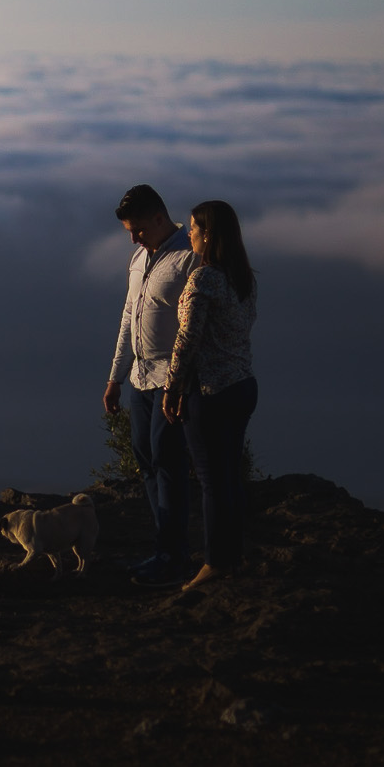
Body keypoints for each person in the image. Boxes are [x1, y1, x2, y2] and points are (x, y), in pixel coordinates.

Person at [102, 185, 199, 586]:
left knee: (167, 459)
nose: (133, 239)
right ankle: (165, 548)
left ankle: (174, 554)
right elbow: (130, 317)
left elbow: (194, 325)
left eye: (138, 229)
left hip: (172, 379)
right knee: (146, 457)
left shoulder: (189, 257)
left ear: (159, 218)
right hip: (139, 378)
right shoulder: (139, 258)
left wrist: (178, 382)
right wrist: (115, 377)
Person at [162, 200, 259, 592]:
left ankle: (216, 562)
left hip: (210, 391)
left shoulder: (203, 280)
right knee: (229, 476)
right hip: (243, 385)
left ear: (209, 234)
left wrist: (172, 387)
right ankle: (233, 556)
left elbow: (187, 339)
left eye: (194, 228)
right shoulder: (244, 279)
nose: (189, 234)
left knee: (211, 480)